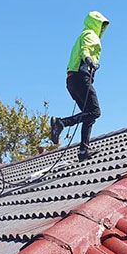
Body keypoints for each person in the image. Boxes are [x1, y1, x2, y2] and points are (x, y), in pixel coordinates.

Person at [50, 11, 109, 160]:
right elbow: (85, 50)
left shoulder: (83, 35)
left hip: (72, 79)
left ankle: (83, 151)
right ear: (97, 24)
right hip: (80, 77)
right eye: (102, 25)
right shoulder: (90, 35)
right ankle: (61, 123)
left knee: (88, 115)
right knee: (95, 111)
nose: (103, 29)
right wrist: (89, 60)